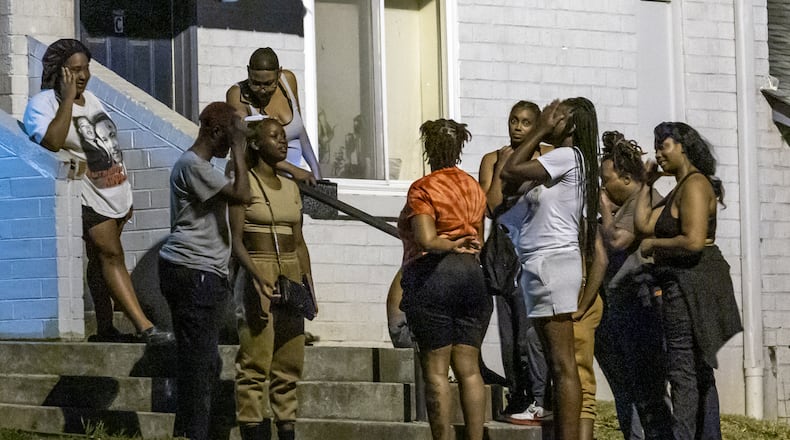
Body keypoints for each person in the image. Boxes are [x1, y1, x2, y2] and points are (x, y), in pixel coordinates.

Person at [23, 38, 172, 345]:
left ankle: (106, 327)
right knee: (112, 255)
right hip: (85, 194)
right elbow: (51, 141)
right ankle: (145, 327)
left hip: (113, 193)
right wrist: (65, 101)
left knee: (99, 259)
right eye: (74, 69)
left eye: (86, 68)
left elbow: (109, 145)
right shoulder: (42, 104)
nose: (82, 76)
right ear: (58, 71)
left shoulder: (91, 100)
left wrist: (125, 190)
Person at [500, 97, 600, 440]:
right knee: (554, 361)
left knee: (562, 362)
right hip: (539, 264)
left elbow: (510, 169)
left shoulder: (567, 157)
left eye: (557, 117)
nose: (548, 118)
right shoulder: (559, 161)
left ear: (570, 125)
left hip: (554, 263)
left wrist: (539, 129)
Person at [635, 122, 742, 440]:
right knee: (695, 369)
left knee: (683, 370)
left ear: (683, 146)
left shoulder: (695, 185)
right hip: (681, 283)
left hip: (691, 284)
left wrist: (655, 246)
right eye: (656, 146)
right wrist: (646, 183)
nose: (658, 153)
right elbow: (643, 223)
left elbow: (693, 241)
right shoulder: (679, 188)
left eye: (663, 145)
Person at [158, 102, 251, 440]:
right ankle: (195, 433)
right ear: (215, 131)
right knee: (201, 363)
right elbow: (242, 194)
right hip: (193, 271)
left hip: (195, 270)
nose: (232, 142)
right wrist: (240, 149)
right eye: (229, 135)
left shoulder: (201, 167)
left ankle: (188, 431)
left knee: (199, 360)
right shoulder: (192, 166)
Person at [397, 119, 492, 440]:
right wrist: (461, 243)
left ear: (428, 148)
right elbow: (477, 238)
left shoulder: (424, 187)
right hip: (472, 278)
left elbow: (426, 239)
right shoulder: (473, 187)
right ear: (459, 148)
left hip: (434, 276)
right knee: (469, 370)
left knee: (436, 371)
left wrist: (446, 243)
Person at [231, 118, 316, 440]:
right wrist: (254, 276)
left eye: (284, 136)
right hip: (259, 270)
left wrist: (308, 284)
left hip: (291, 272)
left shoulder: (292, 187)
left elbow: (299, 240)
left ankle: (286, 428)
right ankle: (252, 428)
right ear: (256, 143)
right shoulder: (245, 184)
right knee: (255, 361)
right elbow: (235, 240)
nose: (282, 141)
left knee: (289, 360)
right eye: (274, 136)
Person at [594, 131, 672, 440]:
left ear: (626, 179)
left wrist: (602, 208)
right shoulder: (626, 206)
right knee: (627, 387)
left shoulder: (644, 200)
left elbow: (618, 241)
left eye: (606, 180)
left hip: (639, 305)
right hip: (620, 302)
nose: (603, 187)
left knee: (646, 387)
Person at [477, 100, 549, 419]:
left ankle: (540, 394)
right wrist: (501, 173)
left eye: (525, 122)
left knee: (531, 331)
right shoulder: (494, 158)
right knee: (509, 330)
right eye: (513, 121)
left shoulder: (546, 158)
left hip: (537, 251)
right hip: (505, 253)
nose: (518, 127)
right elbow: (489, 207)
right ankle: (517, 393)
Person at [227, 47, 321, 185]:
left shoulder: (288, 81)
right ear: (248, 72)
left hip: (293, 181)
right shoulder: (237, 95)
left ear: (279, 74)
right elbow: (248, 150)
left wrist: (316, 171)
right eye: (256, 83)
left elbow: (300, 131)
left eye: (268, 84)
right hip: (257, 180)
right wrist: (292, 170)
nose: (262, 90)